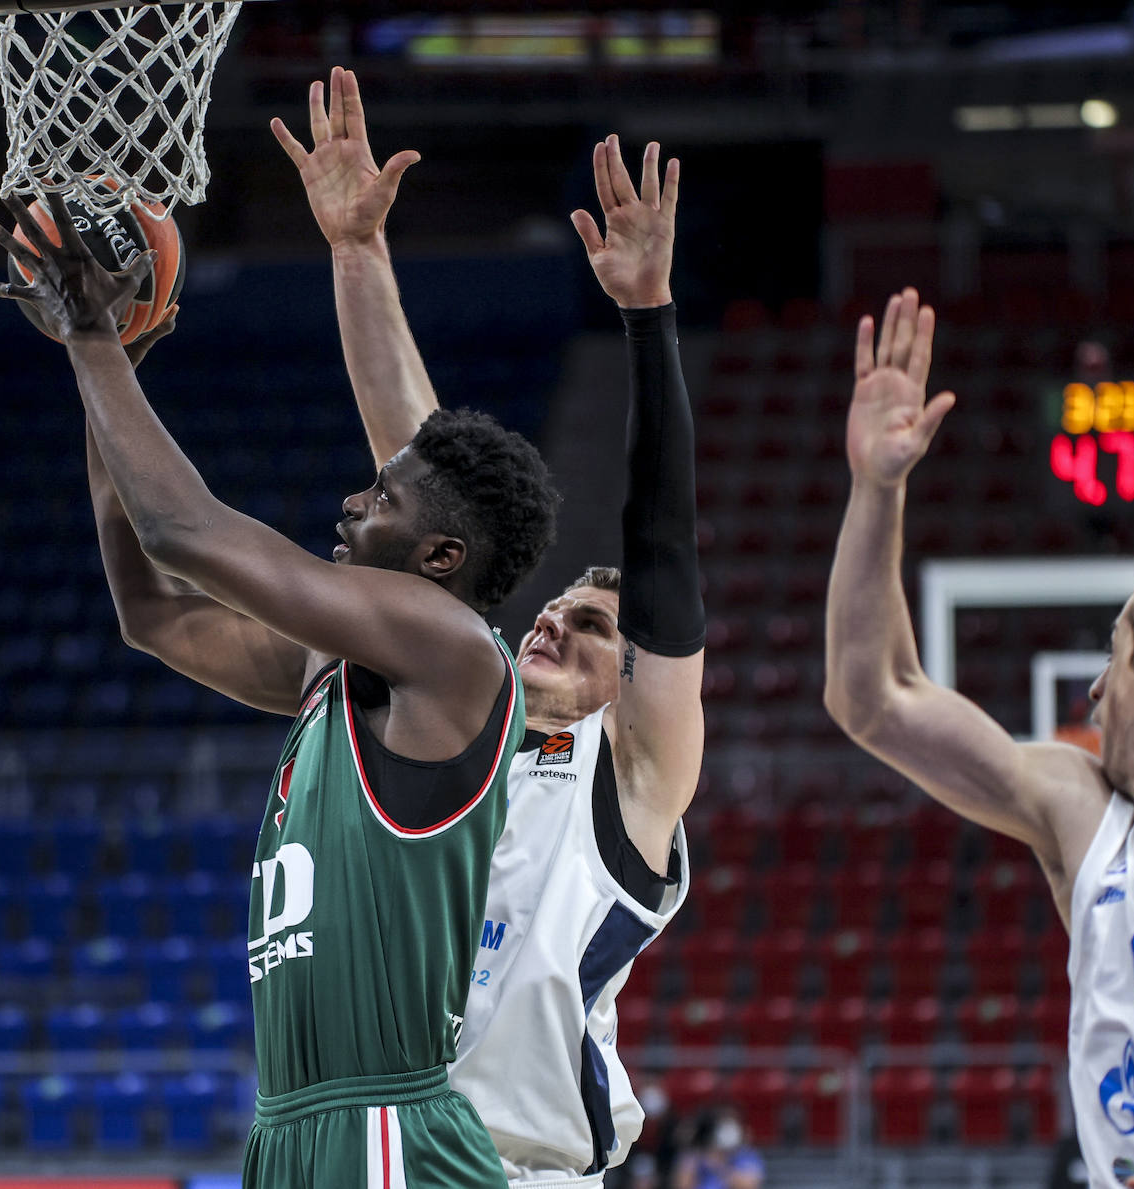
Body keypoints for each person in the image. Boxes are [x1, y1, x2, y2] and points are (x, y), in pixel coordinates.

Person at [0, 193, 561, 1188]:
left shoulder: (456, 648)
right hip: (290, 1124)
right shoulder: (331, 669)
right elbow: (152, 609)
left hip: (386, 1127)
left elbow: (189, 533)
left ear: (443, 556)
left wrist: (93, 342)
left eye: (384, 497)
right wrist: (119, 358)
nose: (351, 499)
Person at [271, 67, 705, 1184]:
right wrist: (357, 253)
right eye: (554, 609)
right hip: (392, 1149)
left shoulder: (636, 774)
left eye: (595, 629)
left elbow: (662, 555)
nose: (555, 623)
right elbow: (417, 471)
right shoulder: (469, 704)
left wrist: (647, 318)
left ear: (634, 676)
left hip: (530, 1168)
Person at [823, 287, 1134, 1189]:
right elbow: (874, 697)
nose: (1092, 687)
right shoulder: (1080, 811)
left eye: (1112, 654)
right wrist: (878, 489)